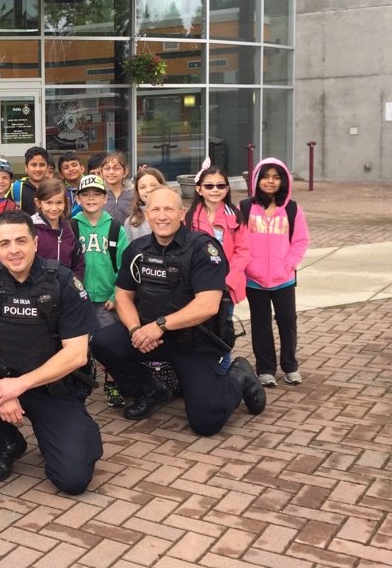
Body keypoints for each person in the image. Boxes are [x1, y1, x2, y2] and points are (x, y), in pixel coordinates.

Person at [0, 210, 103, 495]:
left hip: (53, 390)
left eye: (21, 241)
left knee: (73, 480)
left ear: (35, 242)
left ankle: (75, 433)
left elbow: (77, 354)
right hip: (1, 381)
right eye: (4, 243)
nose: (14, 250)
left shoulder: (63, 283)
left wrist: (18, 386)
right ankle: (7, 444)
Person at [91, 187, 267, 437]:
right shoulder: (137, 250)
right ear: (147, 214)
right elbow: (123, 296)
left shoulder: (204, 249)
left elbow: (208, 305)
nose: (162, 216)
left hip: (195, 342)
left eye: (168, 209)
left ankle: (238, 376)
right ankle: (151, 389)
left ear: (182, 213)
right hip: (152, 338)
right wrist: (135, 330)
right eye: (155, 209)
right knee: (102, 341)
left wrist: (158, 325)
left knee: (206, 423)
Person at [242, 158, 310, 386]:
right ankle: (266, 369)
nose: (270, 181)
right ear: (257, 179)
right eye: (266, 176)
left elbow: (300, 241)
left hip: (284, 280)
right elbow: (239, 241)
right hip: (254, 280)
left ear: (284, 181)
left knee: (287, 321)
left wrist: (288, 264)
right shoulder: (245, 208)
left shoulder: (292, 209)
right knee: (260, 324)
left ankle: (290, 366)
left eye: (276, 177)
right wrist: (249, 266)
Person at [185, 161, 250, 371]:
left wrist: (228, 280)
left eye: (220, 186)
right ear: (199, 189)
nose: (215, 190)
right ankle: (199, 374)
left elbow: (243, 251)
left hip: (225, 288)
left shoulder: (236, 217)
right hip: (197, 287)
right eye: (209, 185)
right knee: (196, 330)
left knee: (222, 332)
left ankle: (221, 376)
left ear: (227, 189)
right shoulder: (190, 217)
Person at [72, 175, 128, 328]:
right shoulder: (71, 227)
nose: (91, 199)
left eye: (97, 194)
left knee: (105, 341)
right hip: (79, 298)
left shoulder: (116, 229)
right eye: (85, 194)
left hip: (108, 301)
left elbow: (124, 266)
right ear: (78, 199)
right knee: (82, 342)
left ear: (105, 198)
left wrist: (115, 295)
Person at [32, 178, 84, 278]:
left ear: (66, 203)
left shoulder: (68, 228)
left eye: (59, 202)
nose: (54, 208)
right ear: (38, 202)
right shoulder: (30, 229)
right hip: (38, 289)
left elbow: (78, 262)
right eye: (49, 203)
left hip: (65, 289)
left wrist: (74, 284)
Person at [124, 167, 167, 242]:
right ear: (137, 192)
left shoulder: (174, 214)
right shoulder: (131, 222)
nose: (148, 190)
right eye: (142, 187)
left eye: (153, 185)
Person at [10, 146, 53, 214]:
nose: (38, 169)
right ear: (26, 168)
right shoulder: (16, 189)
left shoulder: (55, 189)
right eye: (33, 165)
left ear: (48, 168)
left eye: (42, 165)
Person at [100, 151, 134, 225]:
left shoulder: (134, 194)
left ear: (125, 172)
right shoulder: (98, 194)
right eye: (107, 168)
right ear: (101, 172)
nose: (111, 172)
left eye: (116, 168)